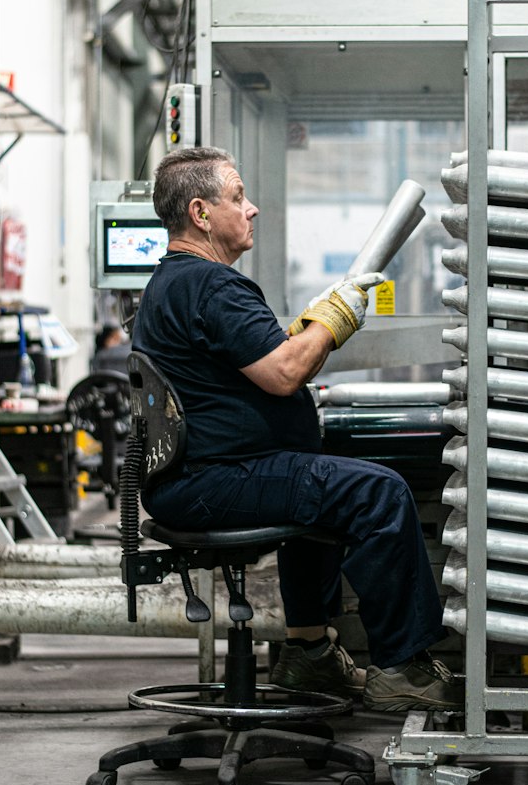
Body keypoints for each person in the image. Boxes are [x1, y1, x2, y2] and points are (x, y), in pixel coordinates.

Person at [131, 145, 462, 713]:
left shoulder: (172, 285)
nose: (252, 208)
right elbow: (285, 373)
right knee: (377, 493)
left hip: (196, 480)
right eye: (238, 197)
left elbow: (259, 360)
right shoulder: (211, 286)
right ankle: (400, 668)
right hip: (214, 481)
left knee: (317, 489)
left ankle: (309, 652)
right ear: (200, 213)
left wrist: (307, 327)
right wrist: (335, 320)